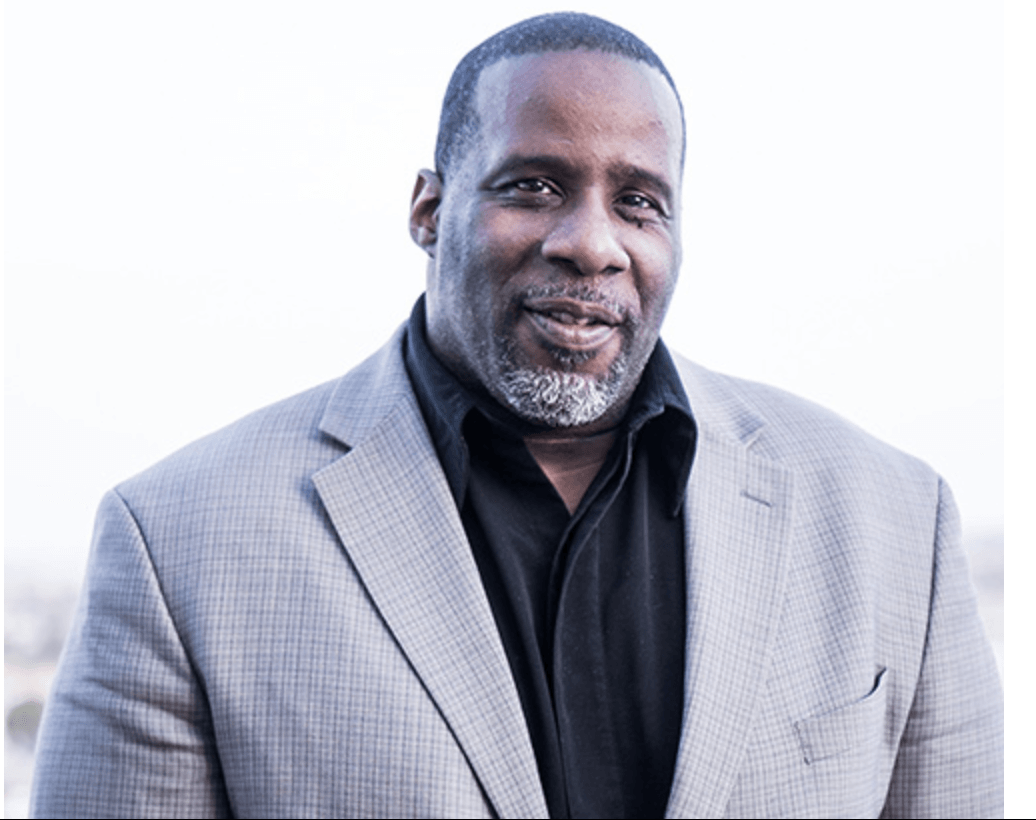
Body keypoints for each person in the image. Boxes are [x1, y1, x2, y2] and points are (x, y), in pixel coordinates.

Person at [30, 12, 1002, 819]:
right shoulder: (178, 544)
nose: (591, 244)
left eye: (638, 201)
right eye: (533, 184)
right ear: (427, 208)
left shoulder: (894, 523)